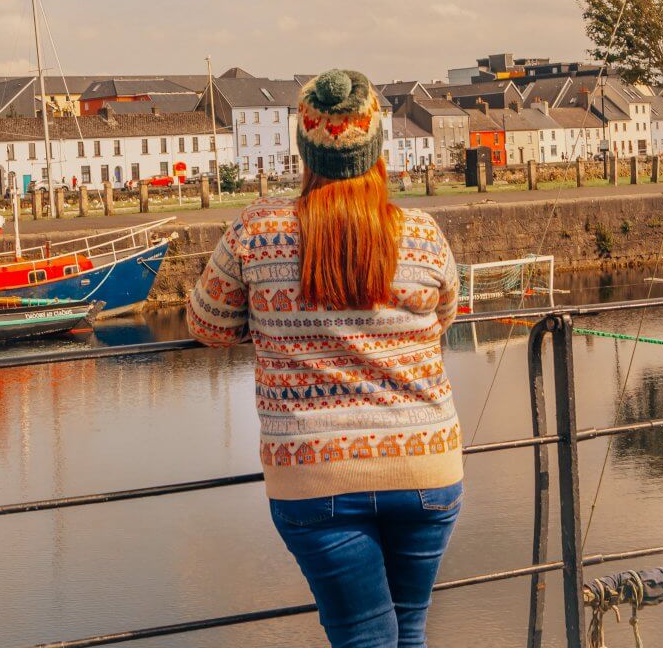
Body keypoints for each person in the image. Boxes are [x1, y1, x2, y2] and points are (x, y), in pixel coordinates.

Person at [188, 69, 462, 648]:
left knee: (364, 639)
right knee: (407, 629)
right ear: (378, 148)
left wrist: (271, 325)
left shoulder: (255, 231)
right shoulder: (423, 232)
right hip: (425, 464)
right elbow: (443, 320)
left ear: (304, 148)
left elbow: (205, 325)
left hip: (314, 472)